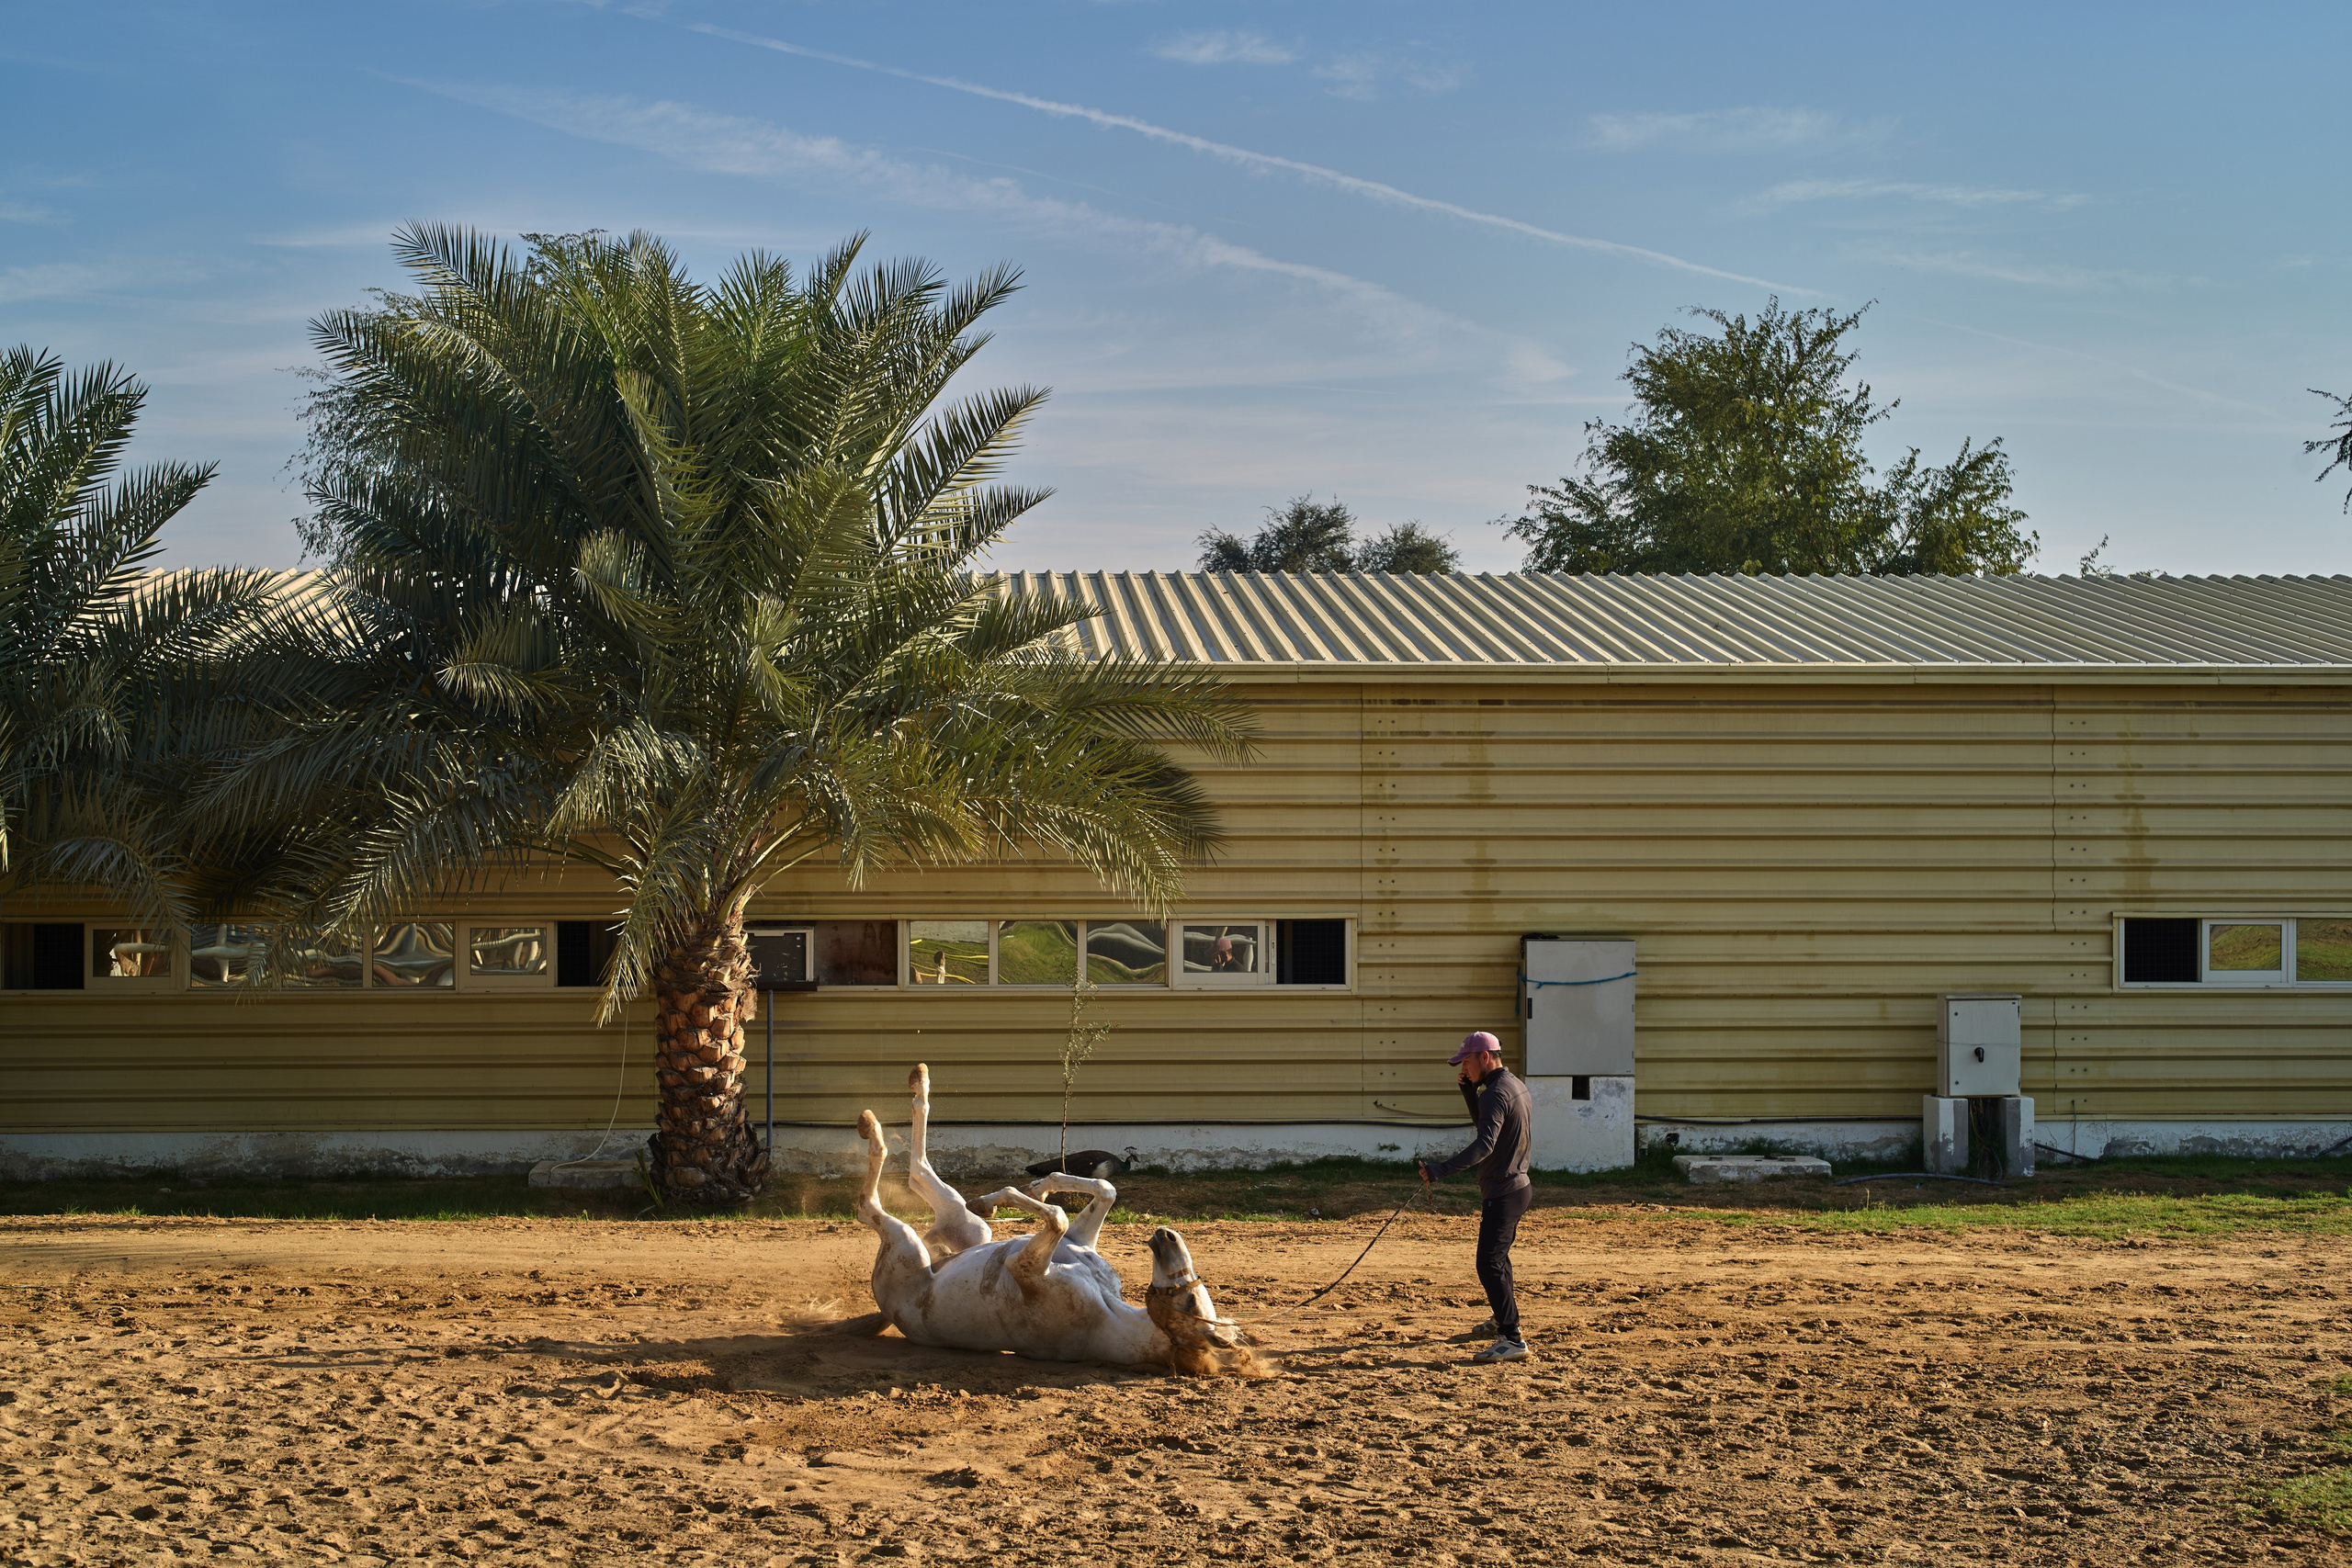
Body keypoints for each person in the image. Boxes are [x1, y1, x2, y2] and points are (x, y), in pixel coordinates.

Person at [1419, 1030, 1533, 1363]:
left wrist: (1440, 1170)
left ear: (1484, 1058)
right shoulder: (1512, 1085)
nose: (1464, 1069)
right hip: (1517, 1186)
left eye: (1466, 1063)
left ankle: (1512, 1339)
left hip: (1504, 1190)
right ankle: (1502, 1319)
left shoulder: (1495, 1093)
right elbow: (1488, 1129)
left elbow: (1485, 1145)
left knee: (1488, 1264)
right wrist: (1470, 1094)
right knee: (1499, 1261)